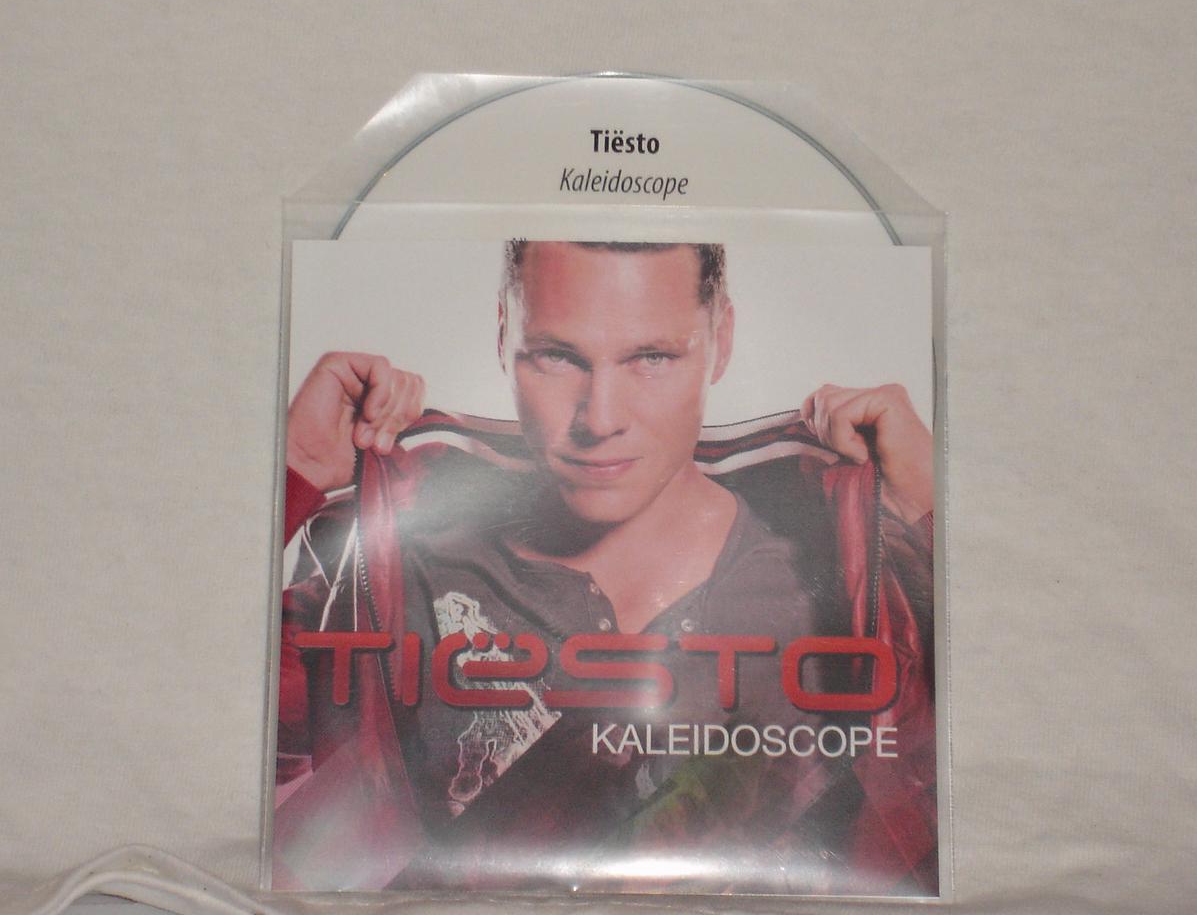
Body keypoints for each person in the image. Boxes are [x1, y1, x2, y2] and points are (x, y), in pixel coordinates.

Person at [273, 241, 936, 895]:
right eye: (559, 356)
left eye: (651, 357)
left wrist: (936, 512)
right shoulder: (400, 567)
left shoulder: (846, 578)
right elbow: (234, 758)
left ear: (722, 339)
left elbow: (973, 798)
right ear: (504, 336)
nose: (601, 418)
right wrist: (293, 471)